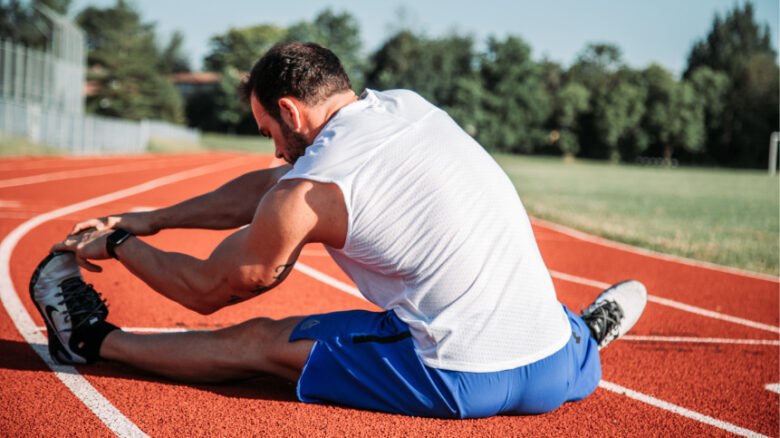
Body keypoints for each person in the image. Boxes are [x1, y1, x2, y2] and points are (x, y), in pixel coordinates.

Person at [30, 42, 646, 418]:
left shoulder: (307, 190)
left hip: (457, 375)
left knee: (258, 342)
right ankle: (585, 338)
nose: (272, 150)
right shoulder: (406, 106)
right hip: (553, 369)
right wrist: (152, 219)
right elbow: (271, 188)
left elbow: (209, 288)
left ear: (291, 113)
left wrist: (118, 242)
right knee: (511, 287)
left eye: (268, 131)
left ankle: (89, 342)